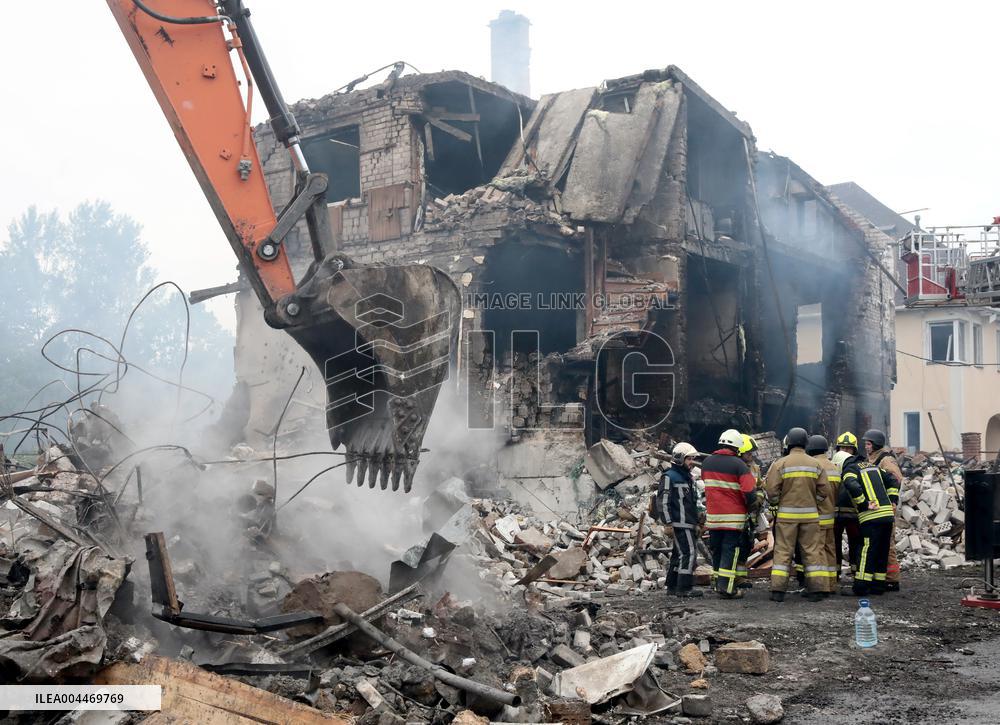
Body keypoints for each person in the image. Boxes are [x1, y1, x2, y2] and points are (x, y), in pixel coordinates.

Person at [765, 427, 829, 602]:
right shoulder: (815, 464)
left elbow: (771, 492)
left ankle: (778, 591)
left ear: (789, 443)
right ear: (806, 443)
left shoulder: (780, 464)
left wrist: (778, 502)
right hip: (810, 518)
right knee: (812, 552)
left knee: (783, 552)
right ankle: (816, 590)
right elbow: (825, 491)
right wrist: (812, 501)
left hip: (786, 518)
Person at [702, 429, 759, 599]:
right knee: (730, 551)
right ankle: (727, 588)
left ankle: (717, 583)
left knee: (717, 550)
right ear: (736, 446)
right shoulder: (739, 465)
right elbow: (750, 492)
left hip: (713, 518)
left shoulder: (707, 462)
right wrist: (751, 507)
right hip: (733, 518)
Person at [839, 447, 897, 595]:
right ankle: (878, 586)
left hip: (871, 516)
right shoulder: (874, 468)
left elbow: (851, 485)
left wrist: (863, 504)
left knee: (866, 550)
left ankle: (861, 586)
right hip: (887, 516)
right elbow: (893, 480)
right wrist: (893, 500)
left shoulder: (850, 469)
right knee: (882, 550)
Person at [863, 429, 903, 591]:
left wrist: (889, 499)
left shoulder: (886, 460)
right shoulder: (872, 459)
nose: (865, 447)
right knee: (877, 543)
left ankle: (892, 579)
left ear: (876, 444)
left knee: (888, 544)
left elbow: (896, 479)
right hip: (875, 508)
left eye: (868, 444)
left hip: (885, 507)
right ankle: (880, 576)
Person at [662, 442, 703, 598]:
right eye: (689, 459)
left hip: (688, 522)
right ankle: (684, 588)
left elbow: (693, 502)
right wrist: (668, 523)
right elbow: (663, 502)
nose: (692, 462)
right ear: (679, 459)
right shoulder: (669, 477)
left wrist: (698, 521)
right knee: (688, 553)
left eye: (692, 459)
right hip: (680, 523)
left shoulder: (688, 478)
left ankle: (672, 586)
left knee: (678, 554)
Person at [806, 434, 840, 595]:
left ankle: (821, 586)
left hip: (816, 517)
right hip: (830, 517)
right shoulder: (834, 466)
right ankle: (832, 583)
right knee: (830, 550)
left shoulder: (814, 466)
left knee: (817, 552)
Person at [833, 432, 862, 581]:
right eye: (842, 448)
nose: (845, 451)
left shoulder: (856, 466)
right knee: (834, 544)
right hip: (835, 512)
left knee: (855, 543)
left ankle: (856, 571)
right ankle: (835, 573)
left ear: (854, 451)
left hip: (852, 512)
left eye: (848, 449)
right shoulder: (831, 465)